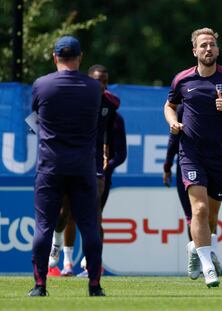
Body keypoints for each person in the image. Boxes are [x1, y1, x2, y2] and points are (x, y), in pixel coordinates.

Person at [164, 27, 222, 288]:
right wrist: (172, 122)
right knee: (199, 210)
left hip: (218, 155)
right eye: (203, 45)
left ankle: (196, 248)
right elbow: (169, 105)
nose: (208, 49)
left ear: (217, 49)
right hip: (190, 153)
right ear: (195, 51)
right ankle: (207, 267)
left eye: (211, 45)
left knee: (211, 219)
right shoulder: (182, 80)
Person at [29, 35, 104, 296]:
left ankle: (40, 285)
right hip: (83, 167)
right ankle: (94, 286)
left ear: (54, 57)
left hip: (50, 166)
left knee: (44, 227)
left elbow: (34, 119)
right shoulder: (94, 88)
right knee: (90, 227)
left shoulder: (42, 85)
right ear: (80, 57)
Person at [47, 64, 124, 278]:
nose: (102, 85)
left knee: (94, 209)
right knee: (65, 212)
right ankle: (56, 241)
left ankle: (91, 259)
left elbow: (109, 123)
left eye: (105, 81)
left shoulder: (110, 103)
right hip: (68, 159)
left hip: (94, 163)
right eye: (98, 80)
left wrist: (108, 150)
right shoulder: (71, 97)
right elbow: (35, 120)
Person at [163, 104, 222, 242]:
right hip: (190, 165)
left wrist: (167, 167)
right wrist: (167, 166)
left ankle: (208, 255)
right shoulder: (182, 108)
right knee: (196, 213)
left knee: (206, 215)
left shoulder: (218, 106)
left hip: (212, 165)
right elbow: (174, 138)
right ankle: (199, 257)